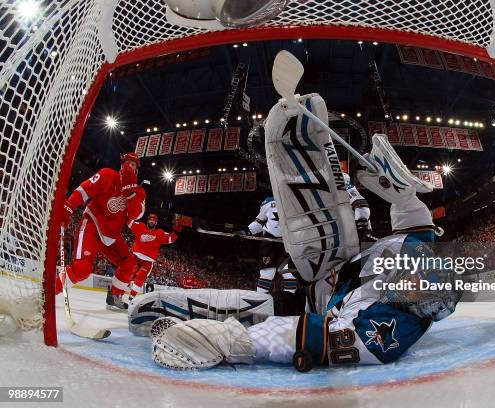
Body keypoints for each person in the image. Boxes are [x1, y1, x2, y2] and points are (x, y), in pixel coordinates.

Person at [130, 94, 460, 370]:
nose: (415, 287)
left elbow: (312, 338)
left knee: (272, 306)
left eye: (423, 298)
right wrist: (401, 195)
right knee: (277, 296)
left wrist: (238, 341)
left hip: (311, 305)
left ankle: (213, 326)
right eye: (422, 281)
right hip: (327, 272)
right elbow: (417, 221)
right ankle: (170, 311)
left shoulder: (389, 334)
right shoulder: (415, 251)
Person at [58, 152, 146, 310]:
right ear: (121, 166)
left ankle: (114, 296)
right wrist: (69, 207)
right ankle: (49, 291)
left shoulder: (139, 192)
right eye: (128, 164)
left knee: (130, 263)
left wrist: (130, 192)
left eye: (133, 165)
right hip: (93, 222)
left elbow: (135, 214)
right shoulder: (108, 175)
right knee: (83, 268)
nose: (130, 167)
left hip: (110, 236)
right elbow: (85, 189)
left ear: (137, 171)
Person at [240, 195, 297, 294]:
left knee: (289, 273)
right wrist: (246, 231)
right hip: (269, 241)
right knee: (268, 273)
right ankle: (260, 300)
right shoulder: (269, 201)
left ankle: (289, 300)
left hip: (287, 242)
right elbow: (259, 221)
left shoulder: (295, 200)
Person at [127, 213, 180, 297]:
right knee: (127, 274)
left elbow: (171, 238)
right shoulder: (140, 226)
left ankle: (131, 298)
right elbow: (129, 221)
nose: (151, 221)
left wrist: (177, 230)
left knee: (140, 278)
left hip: (148, 261)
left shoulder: (160, 233)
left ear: (156, 223)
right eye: (150, 219)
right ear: (147, 220)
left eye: (153, 220)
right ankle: (117, 294)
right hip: (135, 256)